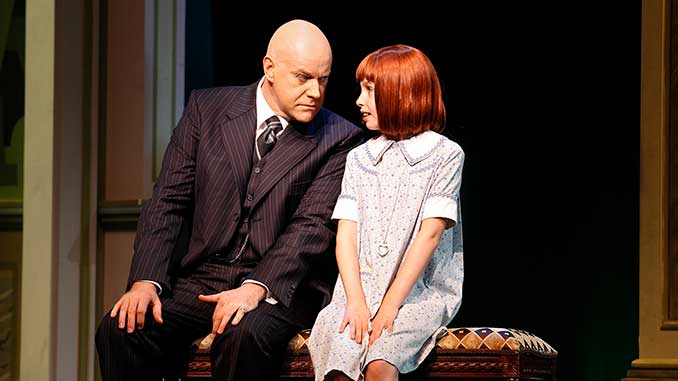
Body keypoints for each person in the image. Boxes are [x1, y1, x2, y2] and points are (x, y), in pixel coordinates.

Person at [95, 19, 363, 381]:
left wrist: (255, 288)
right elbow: (168, 201)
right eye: (303, 77)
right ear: (269, 68)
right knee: (121, 329)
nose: (315, 92)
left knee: (244, 335)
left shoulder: (339, 137)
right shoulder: (207, 110)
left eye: (324, 79)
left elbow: (310, 229)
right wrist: (145, 281)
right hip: (202, 279)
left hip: (279, 288)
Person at [307, 44, 465, 381]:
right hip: (358, 292)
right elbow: (346, 235)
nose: (358, 101)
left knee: (381, 361)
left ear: (401, 95)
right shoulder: (360, 158)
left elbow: (431, 234)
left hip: (414, 294)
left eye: (369, 91)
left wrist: (391, 305)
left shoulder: (444, 154)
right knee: (339, 358)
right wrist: (354, 301)